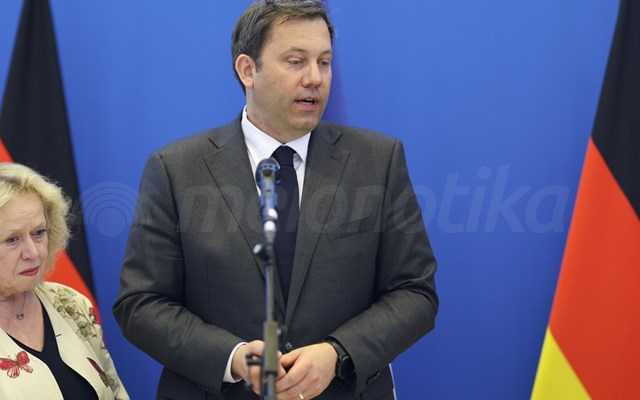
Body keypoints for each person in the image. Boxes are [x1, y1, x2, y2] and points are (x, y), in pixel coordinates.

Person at [113, 1, 438, 399]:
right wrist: (232, 357)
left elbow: (415, 293)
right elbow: (140, 303)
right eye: (296, 61)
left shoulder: (377, 162)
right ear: (247, 70)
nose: (315, 78)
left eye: (324, 62)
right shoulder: (177, 170)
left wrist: (337, 353)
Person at [0, 162, 128, 400]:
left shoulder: (70, 303)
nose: (33, 252)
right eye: (12, 240)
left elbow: (115, 392)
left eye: (39, 233)